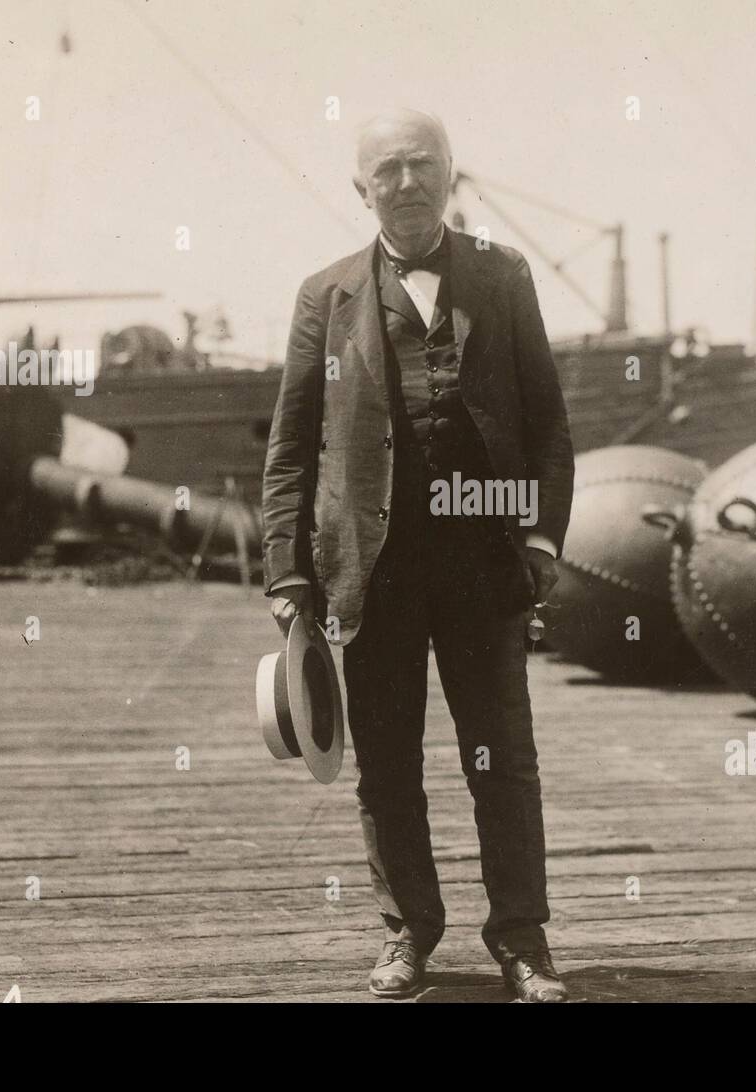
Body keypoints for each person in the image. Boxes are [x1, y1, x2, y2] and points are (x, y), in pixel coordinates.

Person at [262, 108, 574, 1002]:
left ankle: (522, 941)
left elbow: (549, 423)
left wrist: (542, 534)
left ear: (451, 173)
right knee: (387, 763)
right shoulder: (325, 298)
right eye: (387, 170)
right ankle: (407, 935)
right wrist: (289, 571)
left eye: (422, 164)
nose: (406, 182)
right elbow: (291, 448)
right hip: (372, 568)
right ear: (360, 189)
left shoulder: (503, 276)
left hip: (485, 566)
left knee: (502, 759)